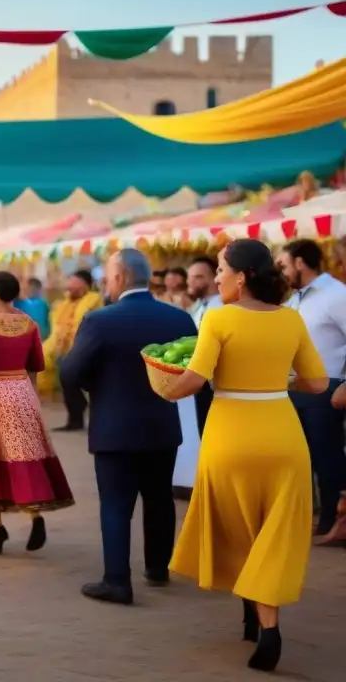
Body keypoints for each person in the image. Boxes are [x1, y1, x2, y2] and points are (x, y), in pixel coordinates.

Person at [165, 239, 328, 672]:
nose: (216, 277)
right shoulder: (291, 320)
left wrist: (159, 388)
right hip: (282, 434)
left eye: (220, 269)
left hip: (230, 435)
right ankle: (265, 623)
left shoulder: (218, 319)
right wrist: (277, 381)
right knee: (274, 530)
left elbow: (193, 381)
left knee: (238, 527)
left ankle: (252, 616)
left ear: (242, 276)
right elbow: (316, 383)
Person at [60, 249, 196, 606]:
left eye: (108, 275)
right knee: (159, 498)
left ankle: (117, 580)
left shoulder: (100, 320)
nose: (105, 281)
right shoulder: (180, 320)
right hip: (163, 424)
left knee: (116, 504)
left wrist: (97, 387)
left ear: (120, 278)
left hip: (115, 426)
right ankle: (157, 568)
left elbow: (70, 372)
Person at [0, 271, 74, 554]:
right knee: (24, 456)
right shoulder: (29, 323)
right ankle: (35, 515)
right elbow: (37, 362)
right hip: (21, 391)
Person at [276, 238, 346, 544]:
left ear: (300, 263)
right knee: (301, 458)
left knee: (326, 456)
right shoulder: (294, 299)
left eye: (283, 265)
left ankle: (334, 521)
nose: (280, 271)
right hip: (294, 388)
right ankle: (315, 517)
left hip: (327, 386)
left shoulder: (336, 294)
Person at [42, 270, 104, 431]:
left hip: (87, 348)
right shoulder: (62, 305)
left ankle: (84, 416)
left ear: (85, 285)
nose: (69, 286)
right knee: (67, 381)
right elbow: (57, 329)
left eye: (74, 282)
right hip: (64, 350)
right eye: (69, 282)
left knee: (75, 380)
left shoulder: (94, 302)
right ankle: (75, 419)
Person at [187, 256, 223, 436]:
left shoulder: (222, 307)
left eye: (197, 277)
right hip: (199, 381)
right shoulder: (196, 306)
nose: (190, 282)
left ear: (212, 278)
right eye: (189, 277)